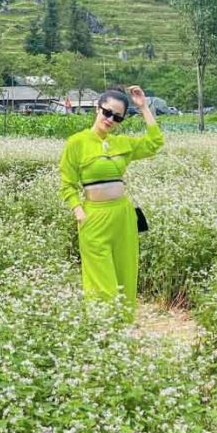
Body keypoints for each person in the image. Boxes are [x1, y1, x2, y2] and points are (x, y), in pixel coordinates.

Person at [59, 85, 163, 319]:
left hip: (123, 216)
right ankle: (103, 331)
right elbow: (67, 183)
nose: (110, 119)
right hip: (94, 217)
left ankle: (124, 329)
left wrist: (144, 108)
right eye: (107, 112)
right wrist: (78, 211)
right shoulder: (77, 142)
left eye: (117, 117)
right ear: (97, 109)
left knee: (125, 273)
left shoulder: (122, 143)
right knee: (101, 282)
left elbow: (154, 143)